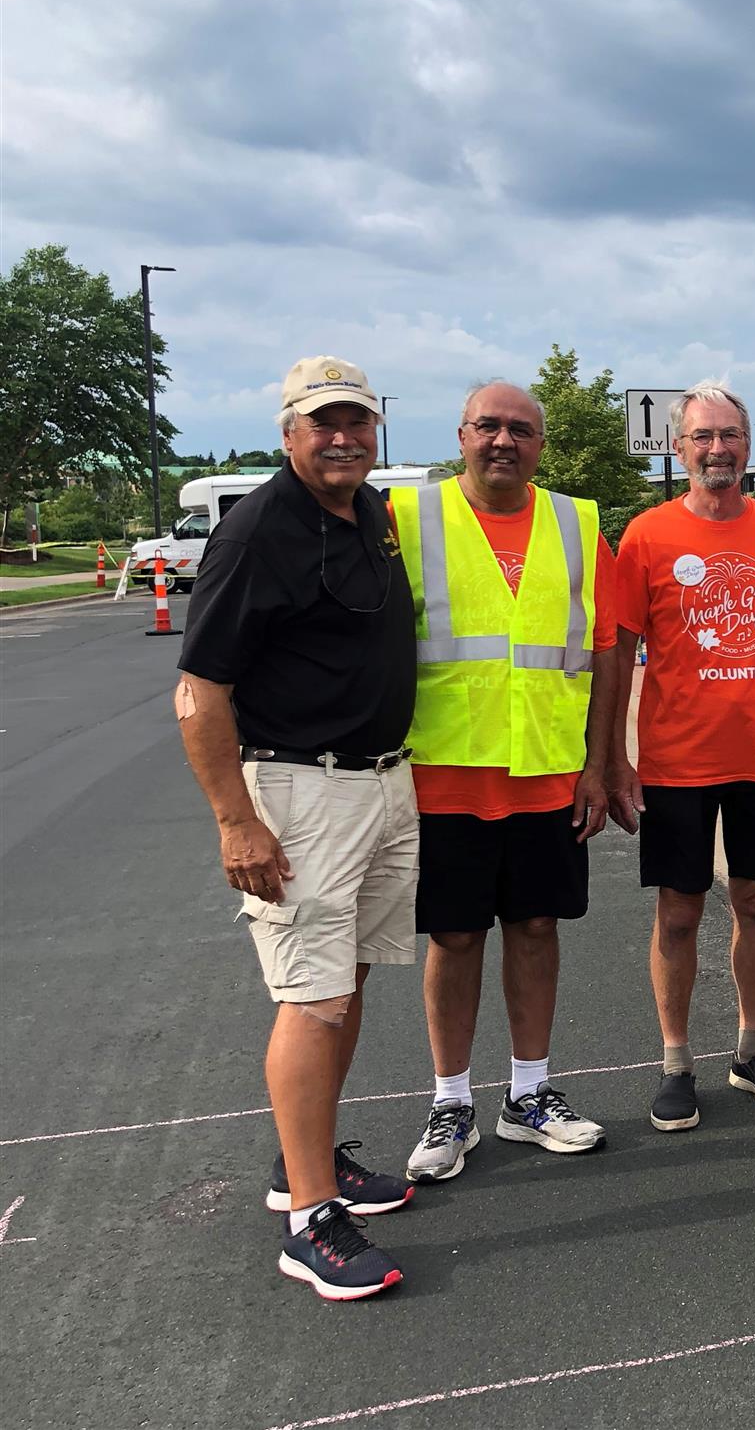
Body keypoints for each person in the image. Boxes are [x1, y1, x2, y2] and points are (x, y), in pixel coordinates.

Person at [177, 356, 418, 1300]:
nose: (343, 436)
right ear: (289, 433)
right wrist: (237, 821)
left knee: (345, 976)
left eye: (357, 420)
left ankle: (303, 1161)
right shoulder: (257, 531)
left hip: (379, 783)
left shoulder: (367, 516)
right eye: (323, 422)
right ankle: (311, 1219)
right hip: (299, 789)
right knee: (312, 998)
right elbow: (200, 693)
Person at [395, 381, 630, 1184]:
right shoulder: (410, 519)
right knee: (454, 936)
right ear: (460, 434)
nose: (503, 440)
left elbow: (605, 647)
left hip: (547, 772)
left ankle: (529, 1093)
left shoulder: (576, 522)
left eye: (520, 430)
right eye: (488, 426)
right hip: (445, 773)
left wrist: (600, 763)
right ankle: (451, 1100)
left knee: (535, 927)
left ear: (540, 443)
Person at [611, 382, 755, 1132]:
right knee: (678, 913)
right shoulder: (646, 536)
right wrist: (611, 754)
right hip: (676, 761)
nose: (717, 450)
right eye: (703, 437)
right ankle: (677, 1061)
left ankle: (749, 1048)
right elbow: (617, 647)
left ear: (747, 445)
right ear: (679, 448)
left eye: (730, 436)